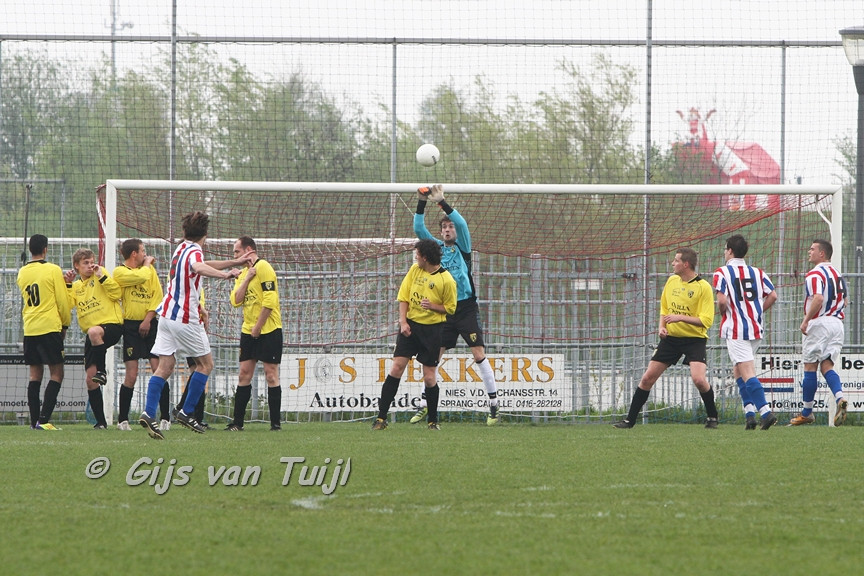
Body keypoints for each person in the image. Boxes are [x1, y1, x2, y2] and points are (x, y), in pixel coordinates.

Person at [138, 211, 248, 440]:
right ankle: (186, 412)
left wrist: (233, 263)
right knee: (206, 365)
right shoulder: (195, 251)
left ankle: (148, 413)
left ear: (185, 231)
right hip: (184, 318)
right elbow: (199, 267)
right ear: (205, 233)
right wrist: (226, 275)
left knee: (165, 366)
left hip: (166, 316)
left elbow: (201, 264)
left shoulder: (181, 248)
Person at [410, 184, 500, 426]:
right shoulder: (436, 250)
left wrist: (441, 202)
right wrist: (421, 202)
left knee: (478, 353)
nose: (448, 229)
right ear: (441, 232)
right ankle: (424, 405)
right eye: (445, 227)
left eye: (451, 227)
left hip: (466, 308)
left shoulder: (463, 247)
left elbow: (462, 224)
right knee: (433, 356)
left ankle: (494, 405)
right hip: (444, 310)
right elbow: (418, 228)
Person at [613, 248, 719, 429]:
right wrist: (661, 327)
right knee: (647, 378)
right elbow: (665, 308)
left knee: (699, 380)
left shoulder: (703, 287)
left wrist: (680, 318)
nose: (672, 263)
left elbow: (706, 321)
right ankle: (629, 420)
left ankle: (712, 417)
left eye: (676, 260)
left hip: (694, 340)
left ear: (686, 264)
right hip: (671, 339)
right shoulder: (672, 281)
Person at [372, 238, 457, 431]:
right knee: (396, 368)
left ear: (425, 257)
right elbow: (403, 297)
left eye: (417, 255)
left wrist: (433, 306)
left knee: (429, 377)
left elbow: (451, 308)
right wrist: (403, 322)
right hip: (410, 328)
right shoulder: (414, 270)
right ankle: (380, 419)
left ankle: (433, 422)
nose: (415, 258)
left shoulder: (446, 280)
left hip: (433, 330)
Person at [713, 234, 778, 430]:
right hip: (755, 328)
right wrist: (757, 311)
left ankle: (765, 412)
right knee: (739, 369)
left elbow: (722, 300)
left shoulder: (722, 272)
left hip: (736, 329)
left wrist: (723, 312)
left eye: (725, 249)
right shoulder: (757, 272)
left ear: (730, 251)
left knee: (747, 371)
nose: (724, 253)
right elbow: (773, 295)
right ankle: (750, 414)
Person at [224, 236, 284, 431]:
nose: (235, 256)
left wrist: (258, 326)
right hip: (248, 330)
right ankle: (237, 423)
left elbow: (270, 300)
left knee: (271, 374)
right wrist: (247, 277)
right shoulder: (244, 273)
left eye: (237, 251)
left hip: (269, 329)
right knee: (244, 374)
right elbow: (236, 301)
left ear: (248, 250)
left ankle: (275, 424)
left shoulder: (264, 267)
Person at [789, 239, 848, 426]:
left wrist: (806, 320)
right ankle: (840, 397)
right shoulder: (838, 274)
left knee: (810, 367)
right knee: (827, 366)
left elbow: (819, 298)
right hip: (837, 324)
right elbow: (845, 301)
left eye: (812, 249)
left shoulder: (814, 274)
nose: (809, 251)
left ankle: (807, 412)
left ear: (822, 253)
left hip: (820, 324)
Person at [113, 238, 171, 431]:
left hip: (151, 324)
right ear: (134, 254)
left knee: (158, 370)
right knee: (131, 374)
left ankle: (165, 418)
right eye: (143, 251)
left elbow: (157, 296)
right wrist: (146, 265)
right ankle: (123, 420)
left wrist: (148, 319)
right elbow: (139, 278)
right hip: (130, 327)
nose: (146, 254)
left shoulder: (150, 271)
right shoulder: (120, 272)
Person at [17, 234, 72, 431]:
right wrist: (65, 324)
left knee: (35, 374)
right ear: (45, 249)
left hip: (30, 328)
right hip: (49, 327)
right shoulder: (52, 269)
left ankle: (34, 422)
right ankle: (44, 419)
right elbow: (62, 301)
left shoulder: (22, 272)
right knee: (57, 372)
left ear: (30, 249)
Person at [64, 248, 124, 429]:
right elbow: (67, 305)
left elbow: (116, 294)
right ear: (77, 266)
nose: (90, 266)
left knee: (94, 332)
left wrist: (101, 276)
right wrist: (67, 284)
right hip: (93, 334)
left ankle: (102, 371)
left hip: (112, 325)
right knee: (90, 381)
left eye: (92, 262)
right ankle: (101, 422)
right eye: (86, 263)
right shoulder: (76, 286)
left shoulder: (100, 274)